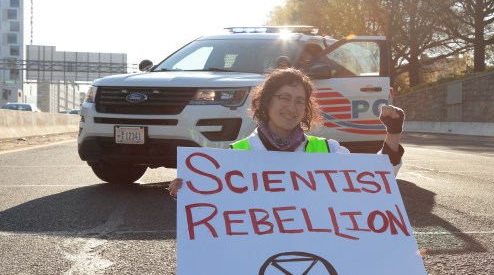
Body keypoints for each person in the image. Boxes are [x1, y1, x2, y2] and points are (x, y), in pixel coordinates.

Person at [169, 68, 405, 197]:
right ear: (266, 102)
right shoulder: (235, 155)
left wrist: (393, 133)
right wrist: (187, 191)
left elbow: (377, 180)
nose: (291, 108)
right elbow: (213, 209)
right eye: (284, 98)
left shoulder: (328, 150)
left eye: (300, 101)